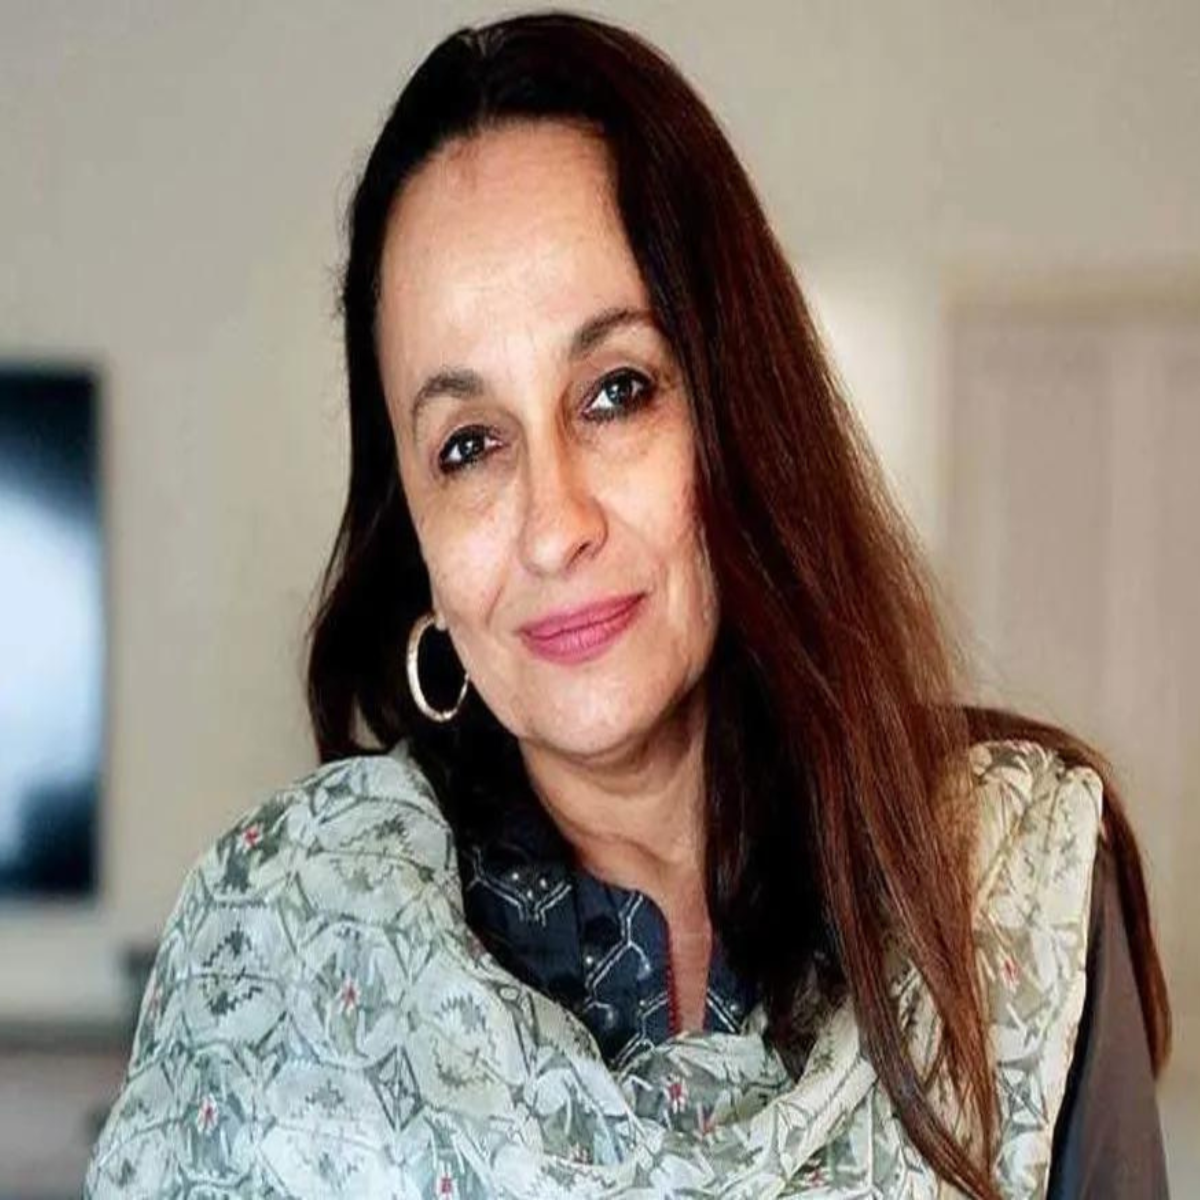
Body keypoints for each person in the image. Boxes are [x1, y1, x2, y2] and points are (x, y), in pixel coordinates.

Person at [85, 11, 1172, 1198]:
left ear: (735, 414)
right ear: (418, 544)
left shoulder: (1008, 884)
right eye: (468, 445)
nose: (556, 525)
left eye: (616, 391)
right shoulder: (284, 952)